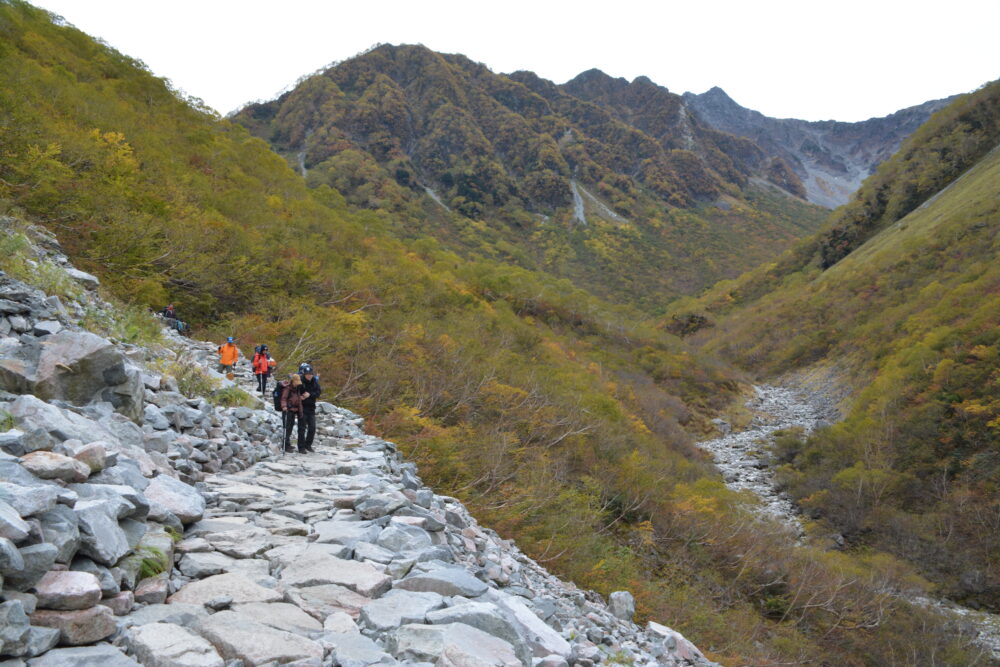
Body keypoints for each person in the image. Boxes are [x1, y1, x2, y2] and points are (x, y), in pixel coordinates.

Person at [280, 373, 306, 453]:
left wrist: (300, 411)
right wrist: (284, 406)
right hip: (287, 410)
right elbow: (283, 398)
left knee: (290, 427)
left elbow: (298, 400)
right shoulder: (287, 388)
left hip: (293, 410)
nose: (297, 384)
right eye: (296, 382)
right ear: (293, 381)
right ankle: (285, 445)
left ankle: (287, 444)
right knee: (287, 428)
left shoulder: (296, 389)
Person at [299, 363, 321, 453]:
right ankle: (301, 447)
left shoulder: (315, 382)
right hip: (302, 407)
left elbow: (318, 393)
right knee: (302, 428)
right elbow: (295, 392)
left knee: (312, 427)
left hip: (311, 407)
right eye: (307, 374)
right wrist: (300, 397)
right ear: (304, 374)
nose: (309, 376)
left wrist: (310, 395)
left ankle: (308, 445)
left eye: (311, 374)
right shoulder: (300, 382)